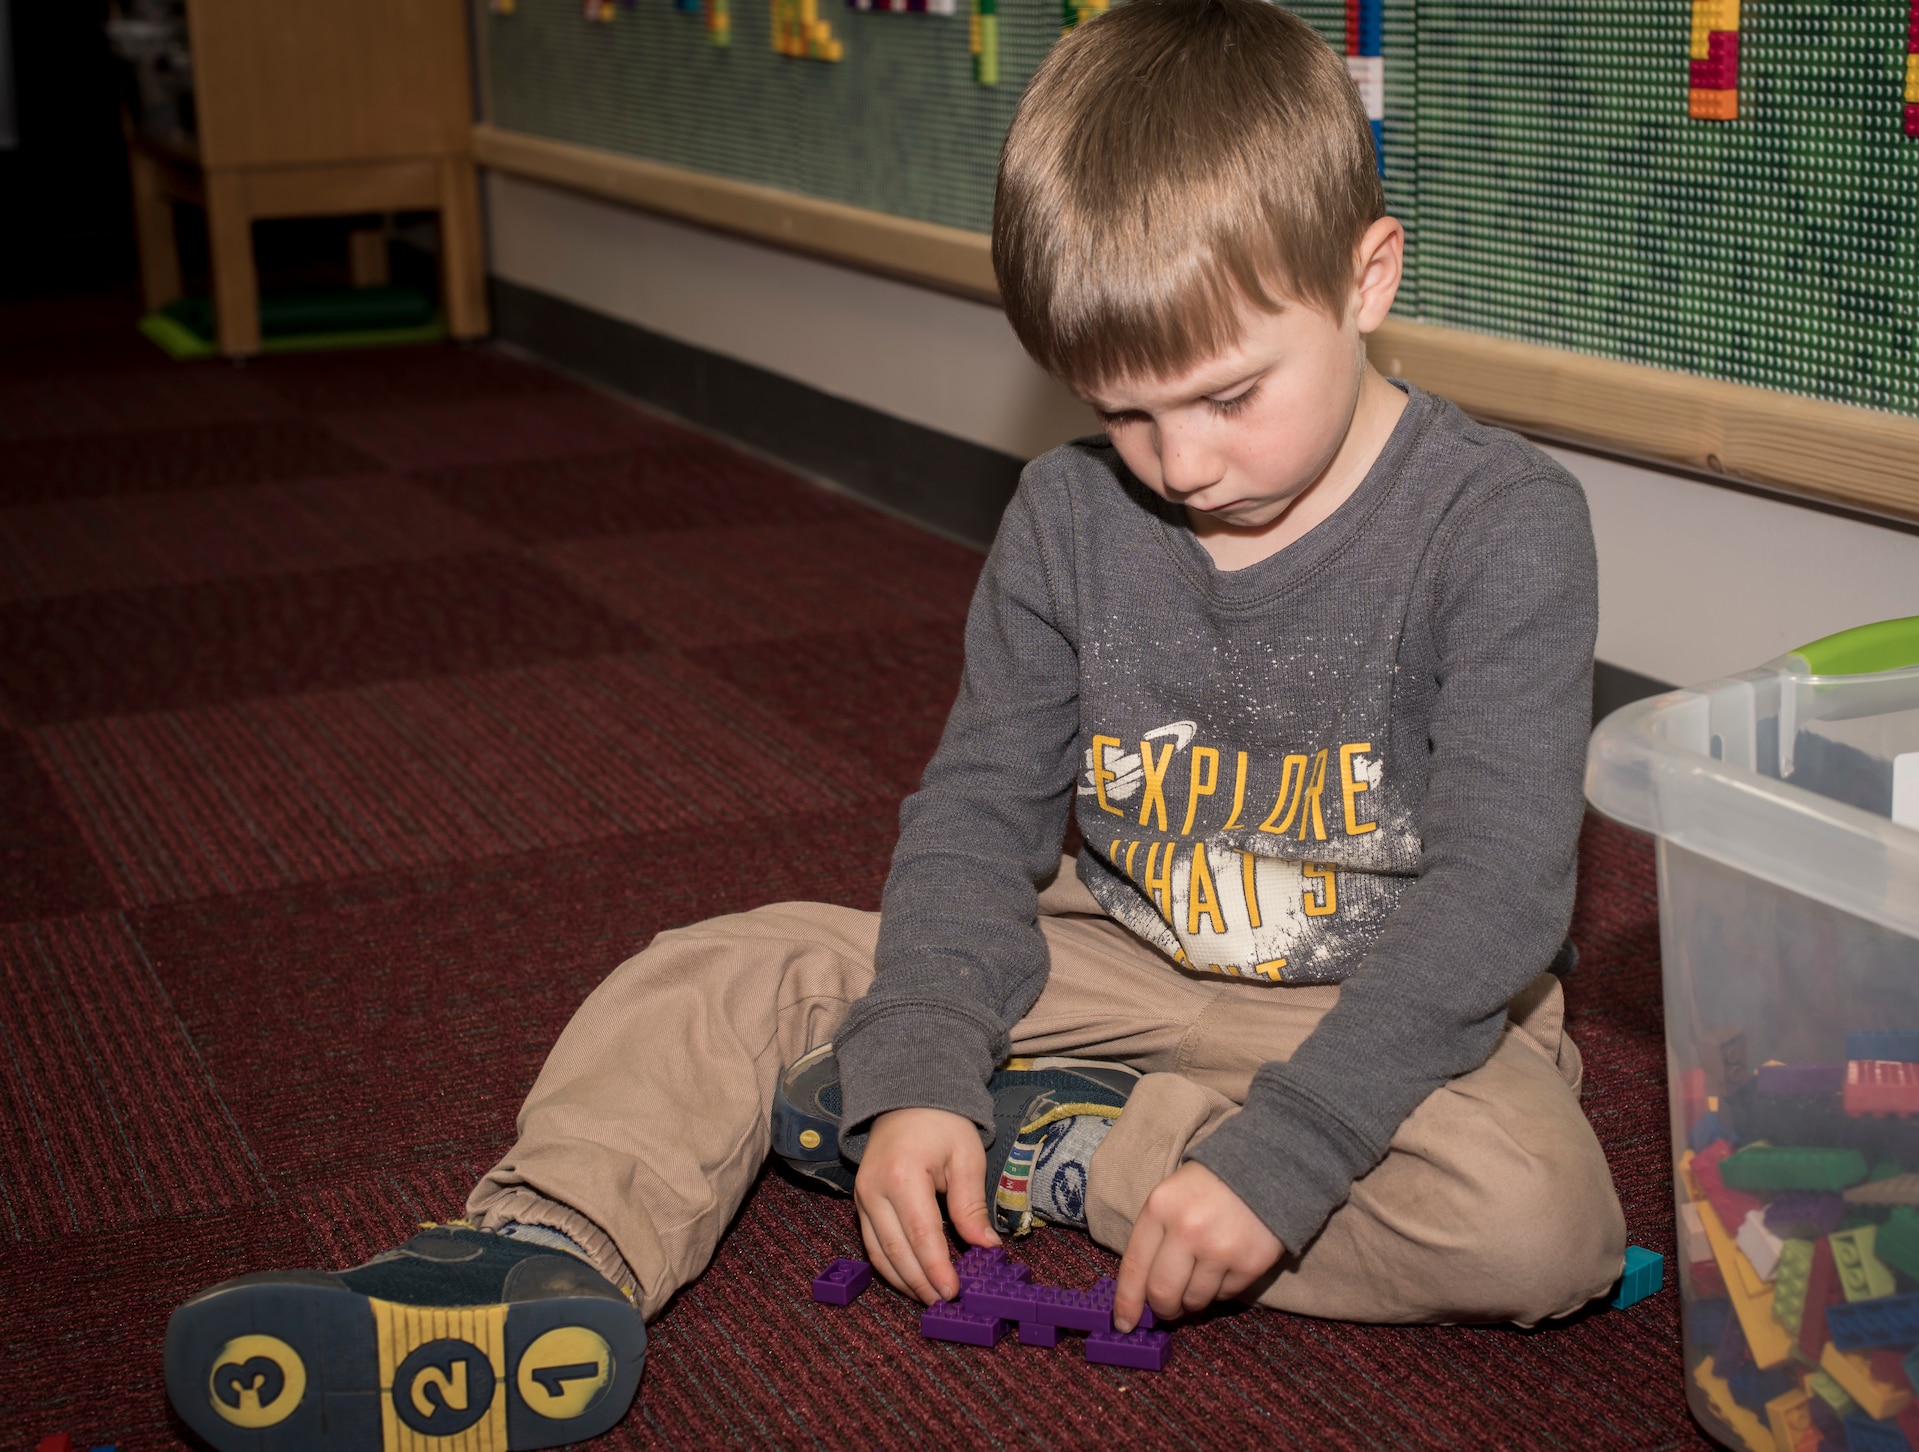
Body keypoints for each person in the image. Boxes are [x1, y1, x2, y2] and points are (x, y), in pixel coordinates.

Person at [162, 0, 1626, 1444]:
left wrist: (1292, 1154)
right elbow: (981, 810)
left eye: (1229, 396)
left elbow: (1499, 899)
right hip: (1115, 954)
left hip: (1381, 1003)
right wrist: (927, 1057)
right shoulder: (1068, 513)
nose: (1178, 463)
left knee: (1535, 1226)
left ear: (1368, 278)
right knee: (729, 972)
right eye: (1122, 412)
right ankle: (538, 1258)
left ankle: (1066, 1147)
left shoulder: (1501, 529)